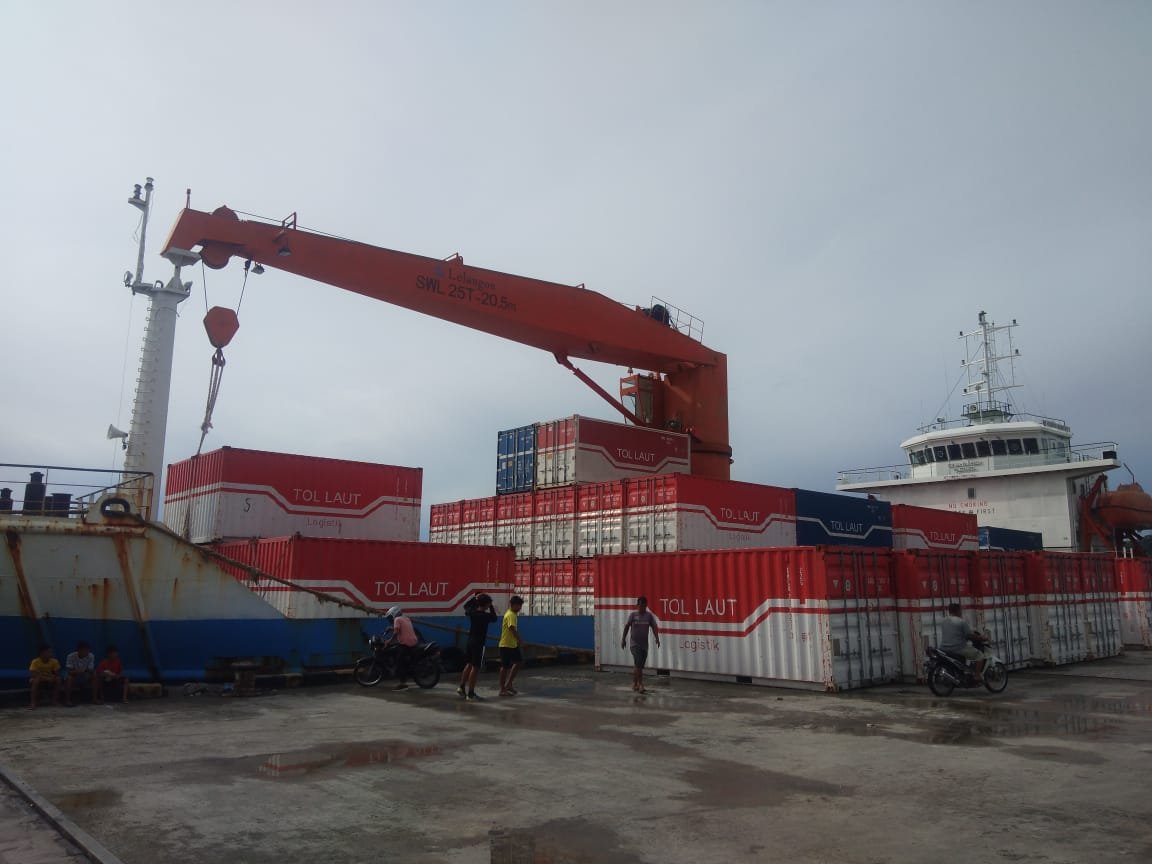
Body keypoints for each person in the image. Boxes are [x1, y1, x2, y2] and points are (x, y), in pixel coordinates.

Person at [458, 593, 498, 701]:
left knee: (468, 664)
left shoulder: (473, 613)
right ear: (487, 604)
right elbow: (494, 618)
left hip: (470, 642)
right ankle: (471, 693)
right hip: (479, 644)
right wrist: (491, 606)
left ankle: (461, 687)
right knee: (475, 668)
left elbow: (466, 606)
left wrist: (474, 598)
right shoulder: (485, 616)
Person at [621, 596, 661, 693]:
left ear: (646, 605)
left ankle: (634, 683)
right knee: (638, 663)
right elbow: (627, 627)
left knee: (638, 665)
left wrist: (657, 638)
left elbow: (654, 627)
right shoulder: (633, 615)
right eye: (639, 605)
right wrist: (623, 639)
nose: (641, 607)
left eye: (643, 606)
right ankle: (640, 684)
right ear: (637, 605)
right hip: (634, 644)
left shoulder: (649, 616)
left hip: (644, 645)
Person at [940, 602, 987, 680]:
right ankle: (977, 676)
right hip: (958, 648)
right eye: (960, 610)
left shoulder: (944, 621)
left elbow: (954, 633)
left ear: (949, 611)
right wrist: (981, 638)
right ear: (958, 611)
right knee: (980, 656)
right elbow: (969, 635)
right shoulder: (961, 622)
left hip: (944, 648)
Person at [385, 606, 419, 690]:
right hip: (413, 642)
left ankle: (403, 684)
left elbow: (396, 632)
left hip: (406, 644)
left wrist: (389, 641)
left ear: (394, 614)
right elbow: (402, 628)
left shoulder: (397, 619)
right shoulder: (406, 618)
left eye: (390, 617)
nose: (390, 619)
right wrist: (391, 628)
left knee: (399, 662)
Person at [498, 596, 525, 697]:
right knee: (504, 667)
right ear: (514, 605)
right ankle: (502, 689)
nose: (520, 608)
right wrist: (520, 640)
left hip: (512, 644)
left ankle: (509, 684)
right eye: (519, 606)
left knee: (518, 662)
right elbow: (512, 629)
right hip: (506, 644)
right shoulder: (511, 615)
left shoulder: (512, 614)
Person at [64, 641, 96, 706]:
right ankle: (67, 700)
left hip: (85, 675)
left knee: (95, 675)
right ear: (79, 650)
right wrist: (78, 671)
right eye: (85, 650)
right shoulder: (70, 656)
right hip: (74, 675)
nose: (87, 652)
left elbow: (91, 669)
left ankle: (94, 699)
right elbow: (69, 671)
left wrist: (84, 672)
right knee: (68, 678)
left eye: (88, 650)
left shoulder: (91, 656)